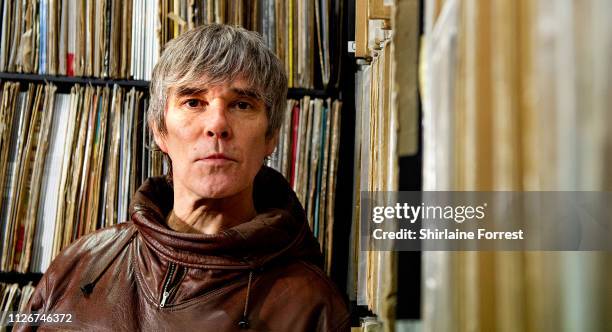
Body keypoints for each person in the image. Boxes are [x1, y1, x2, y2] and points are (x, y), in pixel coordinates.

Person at [16, 24, 350, 331]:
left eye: (242, 105)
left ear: (271, 136)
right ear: (159, 131)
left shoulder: (312, 307)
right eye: (193, 102)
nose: (217, 124)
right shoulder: (79, 262)